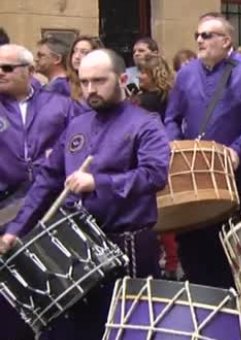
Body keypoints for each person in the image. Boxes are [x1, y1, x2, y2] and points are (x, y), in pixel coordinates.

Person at [1, 48, 169, 339]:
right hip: (77, 248)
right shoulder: (77, 124)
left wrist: (98, 182)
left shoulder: (146, 123)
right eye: (85, 81)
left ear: (120, 79)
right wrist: (17, 228)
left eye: (99, 81)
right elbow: (48, 180)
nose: (91, 89)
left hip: (127, 244)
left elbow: (155, 176)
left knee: (127, 331)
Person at [164, 12, 241, 288]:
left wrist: (236, 150)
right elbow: (171, 118)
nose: (199, 40)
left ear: (226, 40)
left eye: (207, 35)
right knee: (193, 252)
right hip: (192, 178)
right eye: (197, 35)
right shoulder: (186, 73)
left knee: (228, 257)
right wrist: (176, 147)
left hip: (235, 179)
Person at [0, 43, 75, 340]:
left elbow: (80, 142)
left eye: (7, 68)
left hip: (51, 207)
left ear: (30, 71)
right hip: (5, 209)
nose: (0, 73)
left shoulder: (61, 105)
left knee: (51, 285)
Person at [132, 55, 173, 120]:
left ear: (154, 75)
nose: (138, 76)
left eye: (142, 73)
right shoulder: (172, 95)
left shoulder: (142, 102)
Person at [66, 35, 103, 102]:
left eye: (84, 52)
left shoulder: (104, 84)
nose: (77, 56)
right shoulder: (64, 84)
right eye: (75, 51)